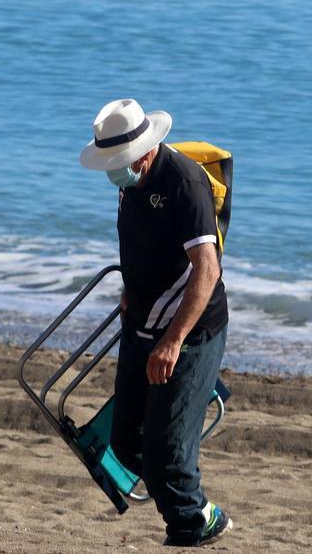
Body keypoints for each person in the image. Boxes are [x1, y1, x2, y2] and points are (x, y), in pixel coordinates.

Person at [80, 98, 233, 546]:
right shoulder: (129, 182)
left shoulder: (184, 183)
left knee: (167, 460)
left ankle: (198, 523)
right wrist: (131, 287)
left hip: (189, 332)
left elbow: (207, 270)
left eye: (119, 161)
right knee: (126, 446)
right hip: (141, 327)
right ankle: (181, 458)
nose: (113, 170)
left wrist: (172, 341)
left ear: (145, 152)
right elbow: (143, 240)